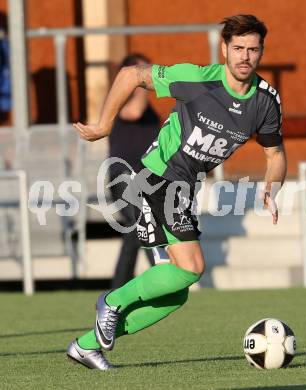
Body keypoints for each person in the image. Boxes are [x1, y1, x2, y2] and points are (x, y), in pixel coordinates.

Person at [68, 14, 287, 370]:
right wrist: (104, 124)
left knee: (176, 294)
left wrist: (272, 187)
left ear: (262, 52)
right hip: (157, 178)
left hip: (184, 188)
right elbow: (130, 75)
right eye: (238, 48)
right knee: (192, 267)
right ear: (224, 50)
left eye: (253, 49)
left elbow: (275, 154)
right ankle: (112, 301)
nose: (245, 56)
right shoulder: (199, 80)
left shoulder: (265, 102)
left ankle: (86, 346)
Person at [108, 54, 160, 288]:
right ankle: (162, 279)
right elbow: (134, 112)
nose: (144, 75)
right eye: (138, 71)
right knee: (141, 226)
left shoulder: (152, 113)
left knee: (134, 233)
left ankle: (116, 294)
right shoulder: (119, 102)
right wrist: (138, 82)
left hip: (147, 179)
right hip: (123, 177)